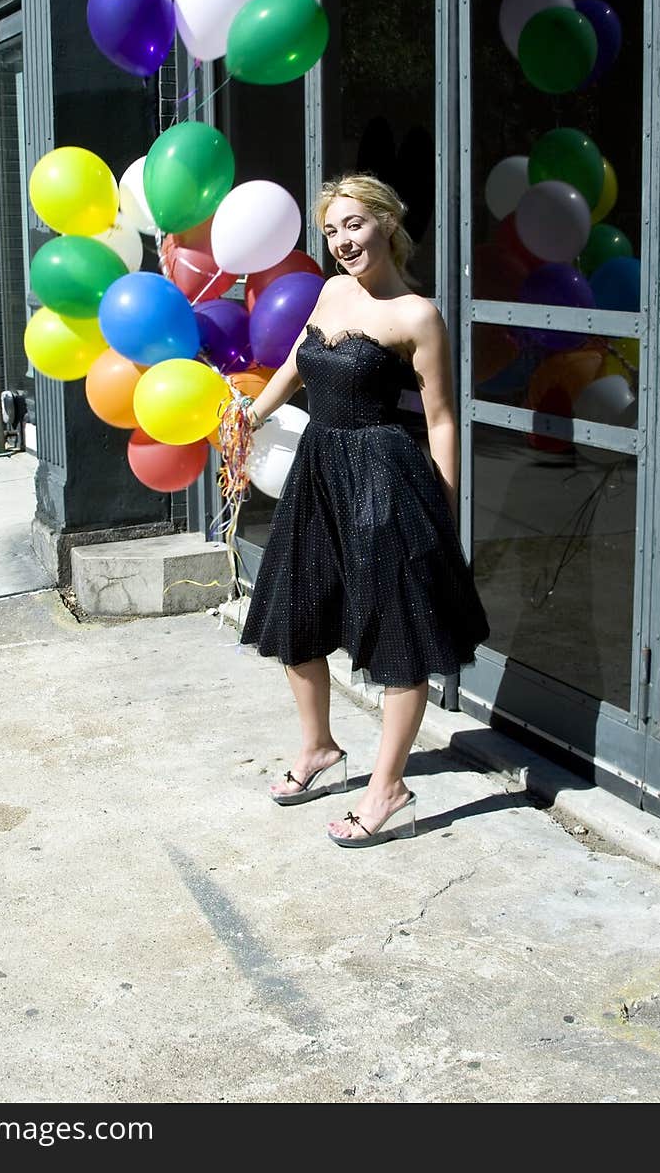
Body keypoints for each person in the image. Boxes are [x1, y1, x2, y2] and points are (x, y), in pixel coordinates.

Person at [238, 174, 489, 847]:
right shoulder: (329, 291)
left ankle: (388, 789)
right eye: (330, 230)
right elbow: (300, 358)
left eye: (354, 225)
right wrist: (252, 416)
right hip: (318, 470)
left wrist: (446, 508)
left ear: (387, 221)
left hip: (383, 476)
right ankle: (318, 746)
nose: (343, 241)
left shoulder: (417, 315)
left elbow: (440, 419)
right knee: (296, 613)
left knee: (397, 632)